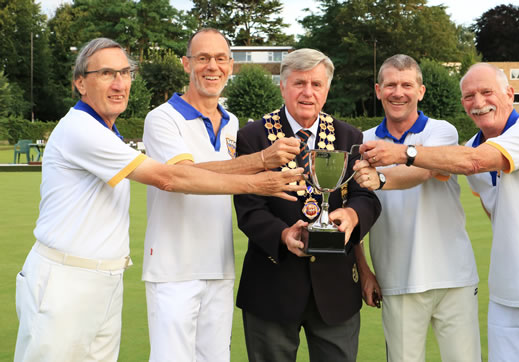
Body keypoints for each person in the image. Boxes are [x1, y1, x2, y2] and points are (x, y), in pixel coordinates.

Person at [13, 37, 304, 362]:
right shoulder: (81, 129)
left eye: (125, 73)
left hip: (109, 278)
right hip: (67, 279)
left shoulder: (109, 131)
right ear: (80, 82)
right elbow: (171, 177)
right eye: (107, 73)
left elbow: (183, 174)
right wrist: (258, 175)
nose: (119, 83)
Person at [360, 62, 519, 362]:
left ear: (510, 94)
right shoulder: (469, 145)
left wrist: (402, 153)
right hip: (506, 296)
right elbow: (473, 192)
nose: (479, 102)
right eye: (470, 96)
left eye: (487, 92)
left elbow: (471, 162)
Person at [141, 28, 302, 362]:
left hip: (219, 267)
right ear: (186, 64)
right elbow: (181, 178)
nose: (211, 67)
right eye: (202, 58)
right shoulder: (162, 119)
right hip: (173, 270)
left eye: (219, 59)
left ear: (230, 66)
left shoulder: (232, 124)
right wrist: (259, 164)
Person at [233, 48, 381, 362]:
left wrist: (353, 215)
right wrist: (282, 234)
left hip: (337, 289)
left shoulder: (347, 136)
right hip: (272, 288)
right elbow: (248, 209)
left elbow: (366, 196)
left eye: (317, 84)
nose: (308, 92)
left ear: (327, 90)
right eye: (300, 83)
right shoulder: (254, 137)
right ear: (283, 86)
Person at [351, 54, 481, 361]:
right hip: (396, 279)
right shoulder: (361, 141)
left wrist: (379, 176)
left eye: (407, 84)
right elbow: (353, 211)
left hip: (454, 278)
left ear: (420, 91)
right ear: (378, 90)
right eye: (391, 84)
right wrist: (363, 269)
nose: (399, 92)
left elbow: (422, 171)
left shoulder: (443, 131)